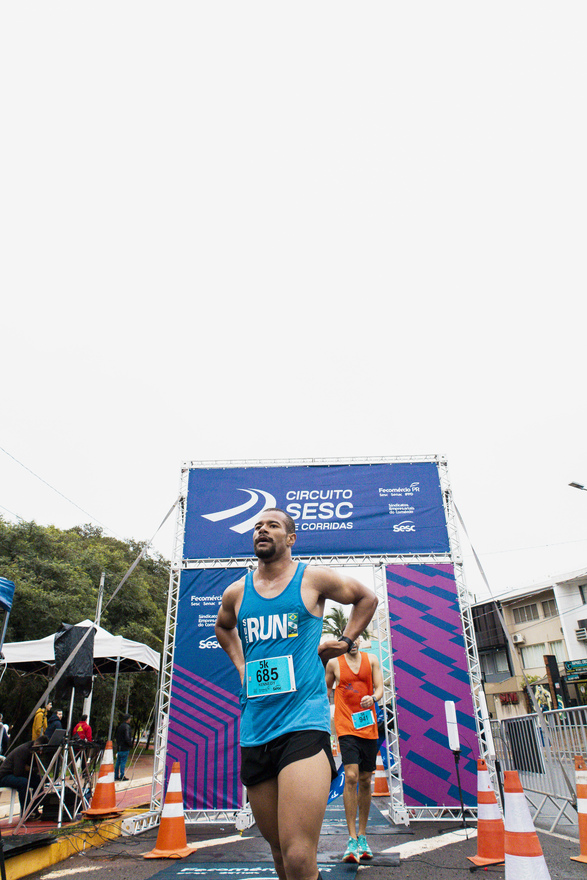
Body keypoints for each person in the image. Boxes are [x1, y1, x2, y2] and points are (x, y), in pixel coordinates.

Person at [215, 508, 377, 880]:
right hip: (255, 729)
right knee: (279, 856)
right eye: (257, 526)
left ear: (290, 539)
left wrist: (347, 641)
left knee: (300, 856)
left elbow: (366, 598)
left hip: (303, 723)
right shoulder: (236, 592)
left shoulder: (312, 578)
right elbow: (224, 628)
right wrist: (241, 667)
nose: (262, 530)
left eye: (272, 526)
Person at [325, 639, 383, 862]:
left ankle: (362, 836)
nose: (354, 643)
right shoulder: (334, 664)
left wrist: (374, 698)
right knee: (351, 776)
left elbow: (379, 688)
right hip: (346, 725)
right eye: (349, 639)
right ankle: (350, 839)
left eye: (357, 638)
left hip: (368, 724)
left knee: (366, 779)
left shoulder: (373, 660)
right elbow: (324, 689)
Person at [0, 735, 48, 819]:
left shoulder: (35, 751)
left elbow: (34, 769)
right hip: (5, 775)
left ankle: (34, 808)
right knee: (23, 782)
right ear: (36, 744)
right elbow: (18, 772)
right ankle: (26, 811)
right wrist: (30, 770)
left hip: (20, 774)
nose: (40, 753)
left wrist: (30, 769)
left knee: (40, 780)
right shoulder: (23, 750)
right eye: (39, 750)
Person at [115, 714, 132, 781]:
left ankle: (116, 776)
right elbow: (127, 737)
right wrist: (130, 744)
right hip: (125, 747)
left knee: (118, 762)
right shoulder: (127, 727)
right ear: (127, 719)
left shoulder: (120, 727)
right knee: (123, 762)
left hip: (119, 747)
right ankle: (122, 776)